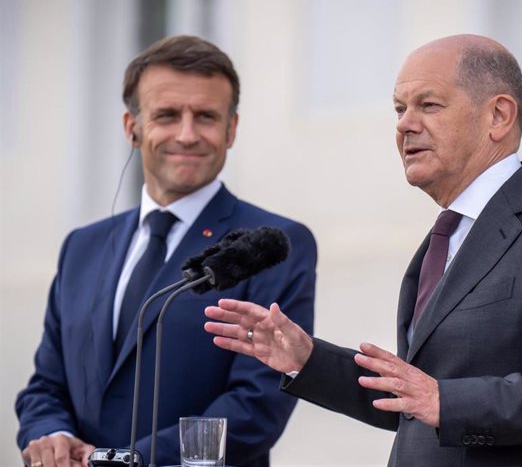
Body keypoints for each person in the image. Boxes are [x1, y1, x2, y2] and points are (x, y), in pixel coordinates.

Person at [203, 34, 522, 466]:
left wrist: (447, 401)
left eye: (428, 105)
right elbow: (413, 399)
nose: (403, 124)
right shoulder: (448, 236)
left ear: (499, 116)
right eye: (399, 109)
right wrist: (308, 360)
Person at [16, 35, 317, 467]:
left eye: (207, 116)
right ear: (131, 127)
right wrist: (51, 433)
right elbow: (46, 384)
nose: (187, 134)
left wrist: (122, 460)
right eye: (168, 115)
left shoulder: (272, 245)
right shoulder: (81, 247)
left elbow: (257, 404)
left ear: (231, 129)